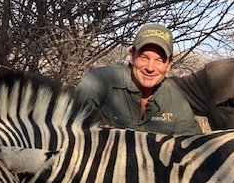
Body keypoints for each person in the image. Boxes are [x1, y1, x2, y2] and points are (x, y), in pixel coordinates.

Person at [74, 23, 202, 136]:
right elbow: (69, 123)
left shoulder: (175, 100)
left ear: (169, 65)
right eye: (144, 57)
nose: (150, 68)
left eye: (159, 60)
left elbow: (194, 146)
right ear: (131, 56)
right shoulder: (100, 80)